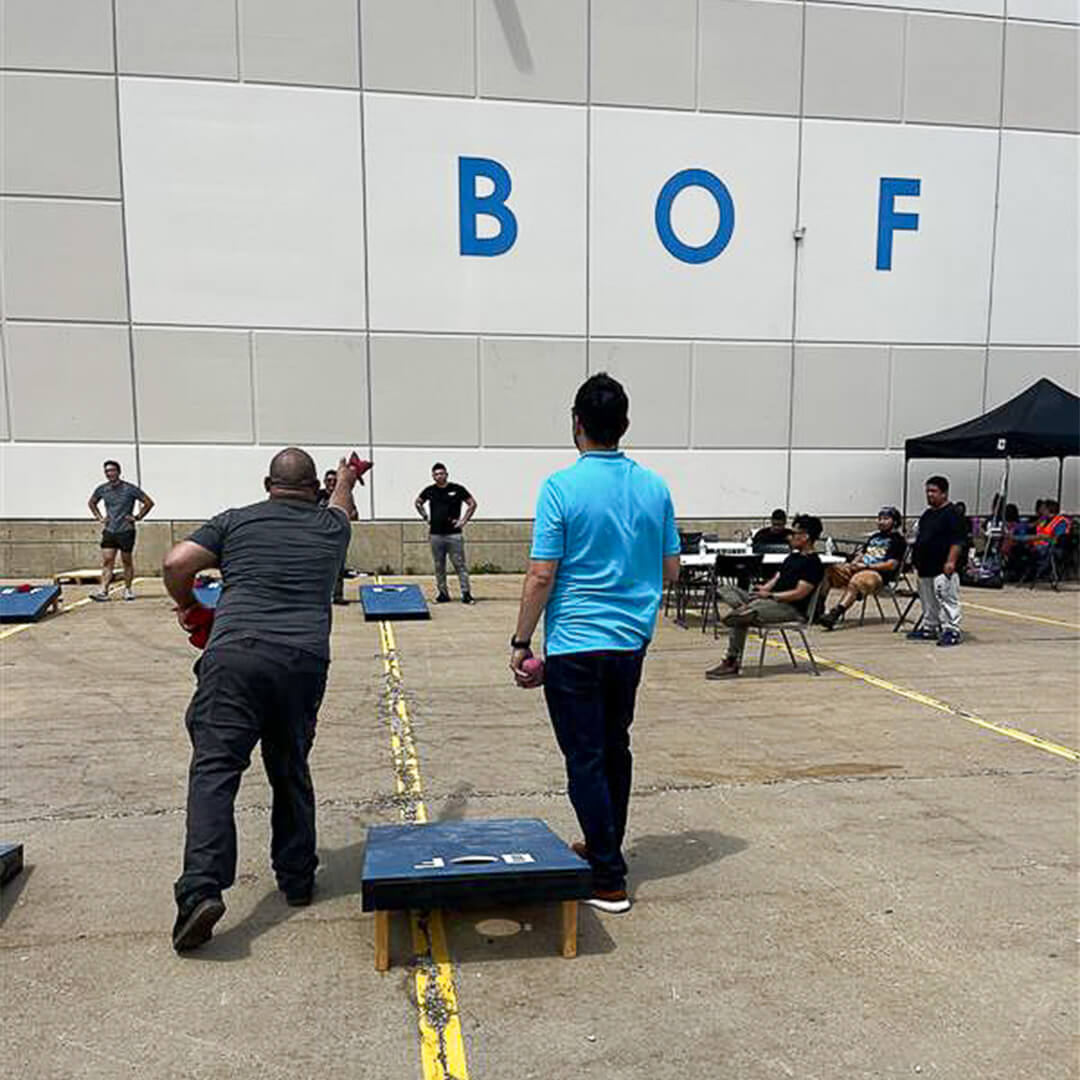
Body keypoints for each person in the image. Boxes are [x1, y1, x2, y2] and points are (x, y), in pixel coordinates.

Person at [162, 448, 361, 952]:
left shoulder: (234, 522)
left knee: (215, 771)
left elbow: (176, 561)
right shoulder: (332, 529)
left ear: (266, 482)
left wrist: (188, 605)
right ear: (314, 487)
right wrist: (349, 479)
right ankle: (296, 879)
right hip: (302, 661)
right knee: (290, 766)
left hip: (234, 658)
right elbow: (340, 504)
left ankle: (201, 891)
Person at [509, 374, 680, 914]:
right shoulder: (655, 487)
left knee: (584, 757)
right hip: (630, 642)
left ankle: (607, 877)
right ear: (624, 425)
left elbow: (541, 575)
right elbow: (671, 570)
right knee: (614, 748)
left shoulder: (561, 487)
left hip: (577, 642)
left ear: (576, 423)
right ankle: (604, 844)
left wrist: (521, 640)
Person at [705, 514, 825, 678]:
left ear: (805, 537)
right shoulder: (793, 557)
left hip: (790, 608)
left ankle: (732, 661)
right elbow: (777, 577)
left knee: (745, 617)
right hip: (769, 601)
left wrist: (770, 596)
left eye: (794, 533)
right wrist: (763, 589)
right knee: (725, 588)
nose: (790, 537)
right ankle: (743, 609)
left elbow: (799, 594)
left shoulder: (813, 563)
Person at [819, 507, 907, 629]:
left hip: (877, 574)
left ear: (895, 522)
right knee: (828, 570)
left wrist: (867, 566)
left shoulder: (898, 540)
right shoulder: (875, 537)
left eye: (886, 519)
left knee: (857, 580)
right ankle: (819, 607)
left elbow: (891, 565)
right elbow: (862, 554)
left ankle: (836, 613)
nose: (881, 522)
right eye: (880, 519)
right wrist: (853, 564)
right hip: (859, 568)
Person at [907, 475, 965, 646]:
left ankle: (951, 629)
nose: (929, 495)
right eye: (927, 491)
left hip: (943, 566)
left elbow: (958, 540)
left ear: (944, 493)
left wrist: (951, 561)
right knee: (928, 600)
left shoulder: (953, 514)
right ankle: (930, 626)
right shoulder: (927, 514)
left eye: (933, 491)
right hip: (925, 566)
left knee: (946, 597)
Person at [87, 460, 154, 601]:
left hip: (126, 530)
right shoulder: (102, 489)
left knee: (126, 561)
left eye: (112, 470)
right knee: (107, 560)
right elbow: (92, 503)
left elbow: (148, 502)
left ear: (118, 472)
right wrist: (100, 517)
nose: (109, 473)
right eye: (107, 471)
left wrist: (137, 517)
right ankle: (103, 591)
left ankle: (128, 589)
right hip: (110, 530)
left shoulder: (129, 489)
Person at [415, 463, 477, 604]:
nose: (439, 476)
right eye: (436, 474)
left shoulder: (457, 489)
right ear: (433, 476)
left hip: (453, 534)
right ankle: (443, 594)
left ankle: (466, 594)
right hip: (436, 535)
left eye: (441, 473)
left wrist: (463, 521)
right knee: (439, 565)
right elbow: (418, 503)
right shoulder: (429, 491)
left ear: (446, 474)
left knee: (459, 565)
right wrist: (425, 516)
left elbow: (472, 504)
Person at [319, 467, 358, 604]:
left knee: (338, 568)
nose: (331, 484)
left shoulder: (343, 495)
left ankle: (337, 595)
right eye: (329, 481)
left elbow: (354, 515)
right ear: (324, 482)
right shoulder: (318, 495)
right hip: (319, 537)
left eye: (334, 481)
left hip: (337, 537)